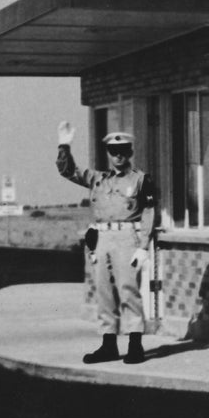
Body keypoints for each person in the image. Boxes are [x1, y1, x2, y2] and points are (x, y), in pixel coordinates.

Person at [56, 122, 157, 364]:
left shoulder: (140, 179)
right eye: (113, 151)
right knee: (104, 292)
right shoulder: (98, 179)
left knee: (128, 290)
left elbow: (149, 212)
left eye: (122, 150)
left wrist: (143, 246)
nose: (118, 155)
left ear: (130, 152)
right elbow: (68, 171)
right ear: (108, 154)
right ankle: (108, 344)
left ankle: (135, 345)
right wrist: (64, 146)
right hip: (102, 237)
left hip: (127, 237)